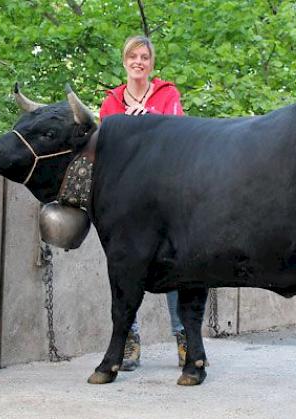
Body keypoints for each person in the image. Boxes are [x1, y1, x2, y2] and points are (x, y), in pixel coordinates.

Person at [100, 35, 186, 371]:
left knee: (175, 267)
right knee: (126, 268)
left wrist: (149, 119)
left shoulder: (168, 94)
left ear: (151, 63)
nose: (139, 61)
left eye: (145, 57)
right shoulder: (111, 102)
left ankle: (183, 338)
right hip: (127, 202)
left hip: (165, 197)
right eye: (133, 56)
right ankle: (129, 341)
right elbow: (106, 150)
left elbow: (182, 137)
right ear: (124, 61)